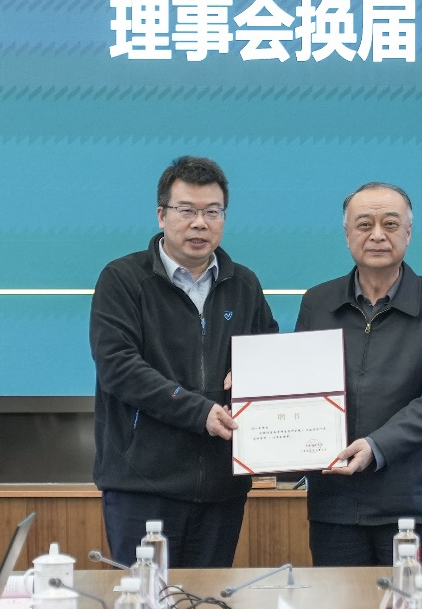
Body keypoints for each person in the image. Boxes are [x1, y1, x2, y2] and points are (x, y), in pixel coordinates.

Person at [90, 156, 278, 568]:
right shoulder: (123, 280)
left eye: (212, 212)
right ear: (161, 215)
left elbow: (269, 355)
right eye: (187, 211)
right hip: (143, 486)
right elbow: (118, 367)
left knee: (207, 596)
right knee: (148, 596)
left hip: (222, 488)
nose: (199, 224)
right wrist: (198, 411)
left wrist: (256, 375)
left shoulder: (244, 284)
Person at [294, 182, 422, 566]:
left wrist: (376, 446)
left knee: (418, 597)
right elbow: (301, 389)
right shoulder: (317, 303)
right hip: (335, 506)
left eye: (390, 224)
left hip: (414, 507)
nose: (377, 235)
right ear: (347, 234)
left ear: (408, 233)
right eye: (364, 224)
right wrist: (254, 386)